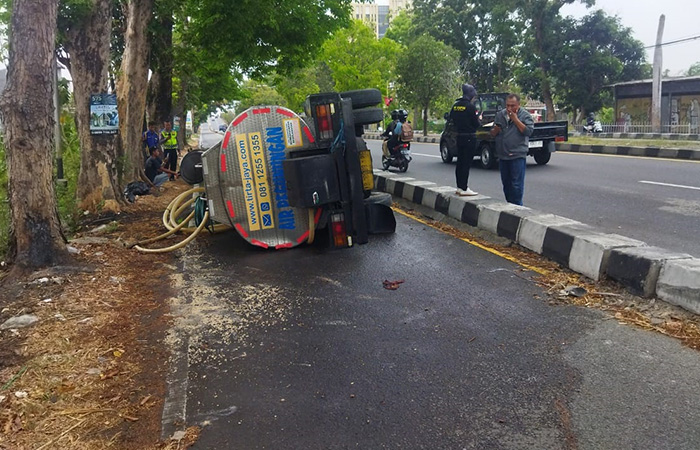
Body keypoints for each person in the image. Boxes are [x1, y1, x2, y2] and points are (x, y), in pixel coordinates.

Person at [490, 93, 534, 206]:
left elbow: (528, 131)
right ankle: (510, 205)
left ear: (518, 105)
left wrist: (515, 119)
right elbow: (492, 133)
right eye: (507, 105)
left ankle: (518, 207)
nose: (509, 108)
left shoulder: (525, 115)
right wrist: (495, 130)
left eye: (512, 105)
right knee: (506, 184)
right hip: (503, 155)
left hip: (517, 155)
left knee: (516, 185)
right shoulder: (500, 115)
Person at [450, 83, 481, 196]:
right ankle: (464, 188)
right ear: (470, 93)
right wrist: (479, 119)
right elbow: (476, 124)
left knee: (460, 162)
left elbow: (451, 119)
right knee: (466, 164)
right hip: (469, 137)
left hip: (459, 136)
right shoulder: (470, 107)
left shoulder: (456, 105)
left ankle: (459, 186)